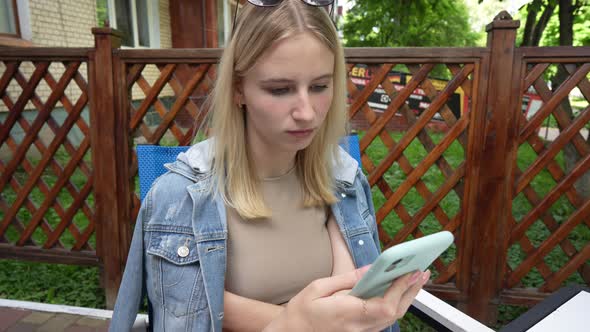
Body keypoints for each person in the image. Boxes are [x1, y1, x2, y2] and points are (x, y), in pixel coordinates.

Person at [109, 0, 429, 331]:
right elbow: (192, 315)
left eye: (320, 86)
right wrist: (298, 323)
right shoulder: (179, 199)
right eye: (280, 89)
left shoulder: (343, 178)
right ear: (238, 89)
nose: (306, 112)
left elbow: (350, 296)